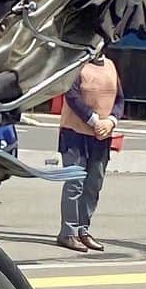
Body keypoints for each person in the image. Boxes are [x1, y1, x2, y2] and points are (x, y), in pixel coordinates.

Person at [57, 56, 124, 252]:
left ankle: (82, 230)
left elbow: (120, 98)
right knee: (74, 183)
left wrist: (111, 120)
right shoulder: (77, 64)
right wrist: (94, 120)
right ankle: (68, 232)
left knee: (94, 184)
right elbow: (71, 95)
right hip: (75, 133)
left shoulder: (111, 65)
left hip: (102, 136)